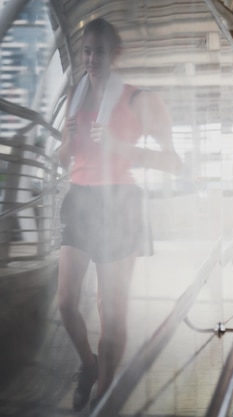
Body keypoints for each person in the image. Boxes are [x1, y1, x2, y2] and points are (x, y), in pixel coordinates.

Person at [56, 17, 181, 412]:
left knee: (111, 312)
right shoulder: (75, 99)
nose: (93, 58)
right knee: (65, 302)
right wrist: (67, 142)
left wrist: (119, 146)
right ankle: (89, 365)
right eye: (88, 51)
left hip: (120, 202)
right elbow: (63, 159)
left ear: (117, 54)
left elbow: (173, 162)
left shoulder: (138, 99)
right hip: (79, 198)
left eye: (101, 51)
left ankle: (104, 395)